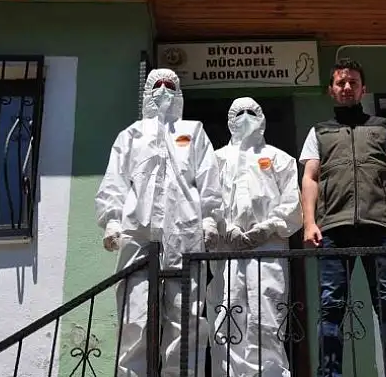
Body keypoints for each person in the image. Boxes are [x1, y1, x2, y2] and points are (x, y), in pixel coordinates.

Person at [95, 68, 222, 377]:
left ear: (178, 93)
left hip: (184, 233)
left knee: (185, 316)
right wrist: (112, 221)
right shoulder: (131, 135)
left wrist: (210, 218)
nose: (163, 90)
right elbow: (115, 182)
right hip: (138, 233)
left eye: (170, 85)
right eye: (158, 84)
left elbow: (208, 179)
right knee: (135, 315)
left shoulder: (193, 131)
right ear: (148, 91)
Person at [300, 58, 386, 377]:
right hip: (334, 228)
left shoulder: (381, 126)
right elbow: (310, 177)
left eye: (353, 82)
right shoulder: (320, 131)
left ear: (364, 89)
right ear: (331, 89)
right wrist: (310, 222)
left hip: (379, 226)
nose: (347, 87)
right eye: (341, 82)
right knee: (331, 307)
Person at [209, 96, 303, 377]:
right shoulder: (216, 160)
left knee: (268, 312)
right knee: (228, 309)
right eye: (239, 112)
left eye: (252, 111)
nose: (246, 117)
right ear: (230, 120)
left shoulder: (279, 159)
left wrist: (269, 227)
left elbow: (292, 202)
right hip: (228, 247)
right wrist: (225, 227)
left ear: (262, 117)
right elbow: (208, 201)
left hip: (269, 247)